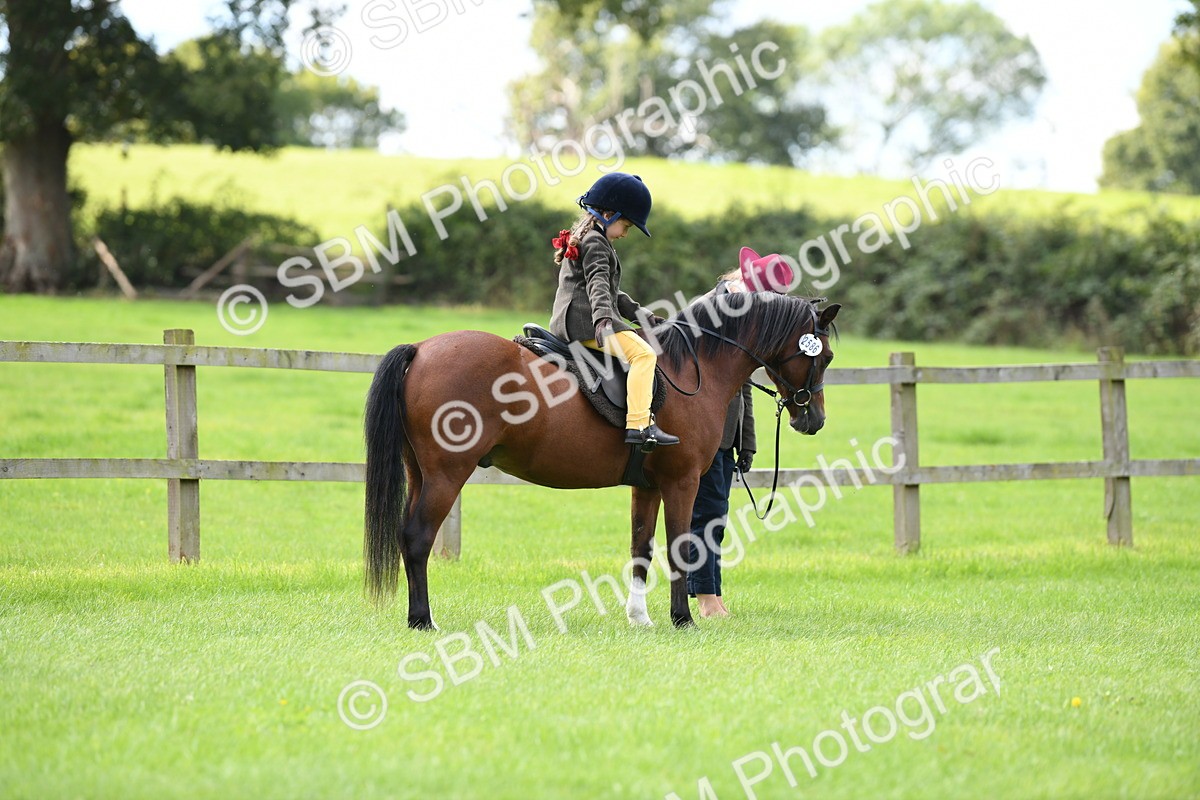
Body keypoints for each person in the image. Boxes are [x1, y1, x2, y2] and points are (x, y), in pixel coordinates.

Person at [688, 246, 796, 617]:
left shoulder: (745, 316)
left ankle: (711, 593)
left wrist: (745, 442)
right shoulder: (708, 311)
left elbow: (743, 383)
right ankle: (705, 599)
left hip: (724, 431)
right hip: (700, 427)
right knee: (706, 512)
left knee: (715, 511)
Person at [548, 172, 679, 450]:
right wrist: (604, 319)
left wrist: (641, 315)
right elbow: (597, 284)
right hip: (586, 322)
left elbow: (611, 291)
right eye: (625, 225)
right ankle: (640, 425)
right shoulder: (596, 242)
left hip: (571, 320)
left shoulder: (587, 237)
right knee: (644, 354)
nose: (625, 234)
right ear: (608, 214)